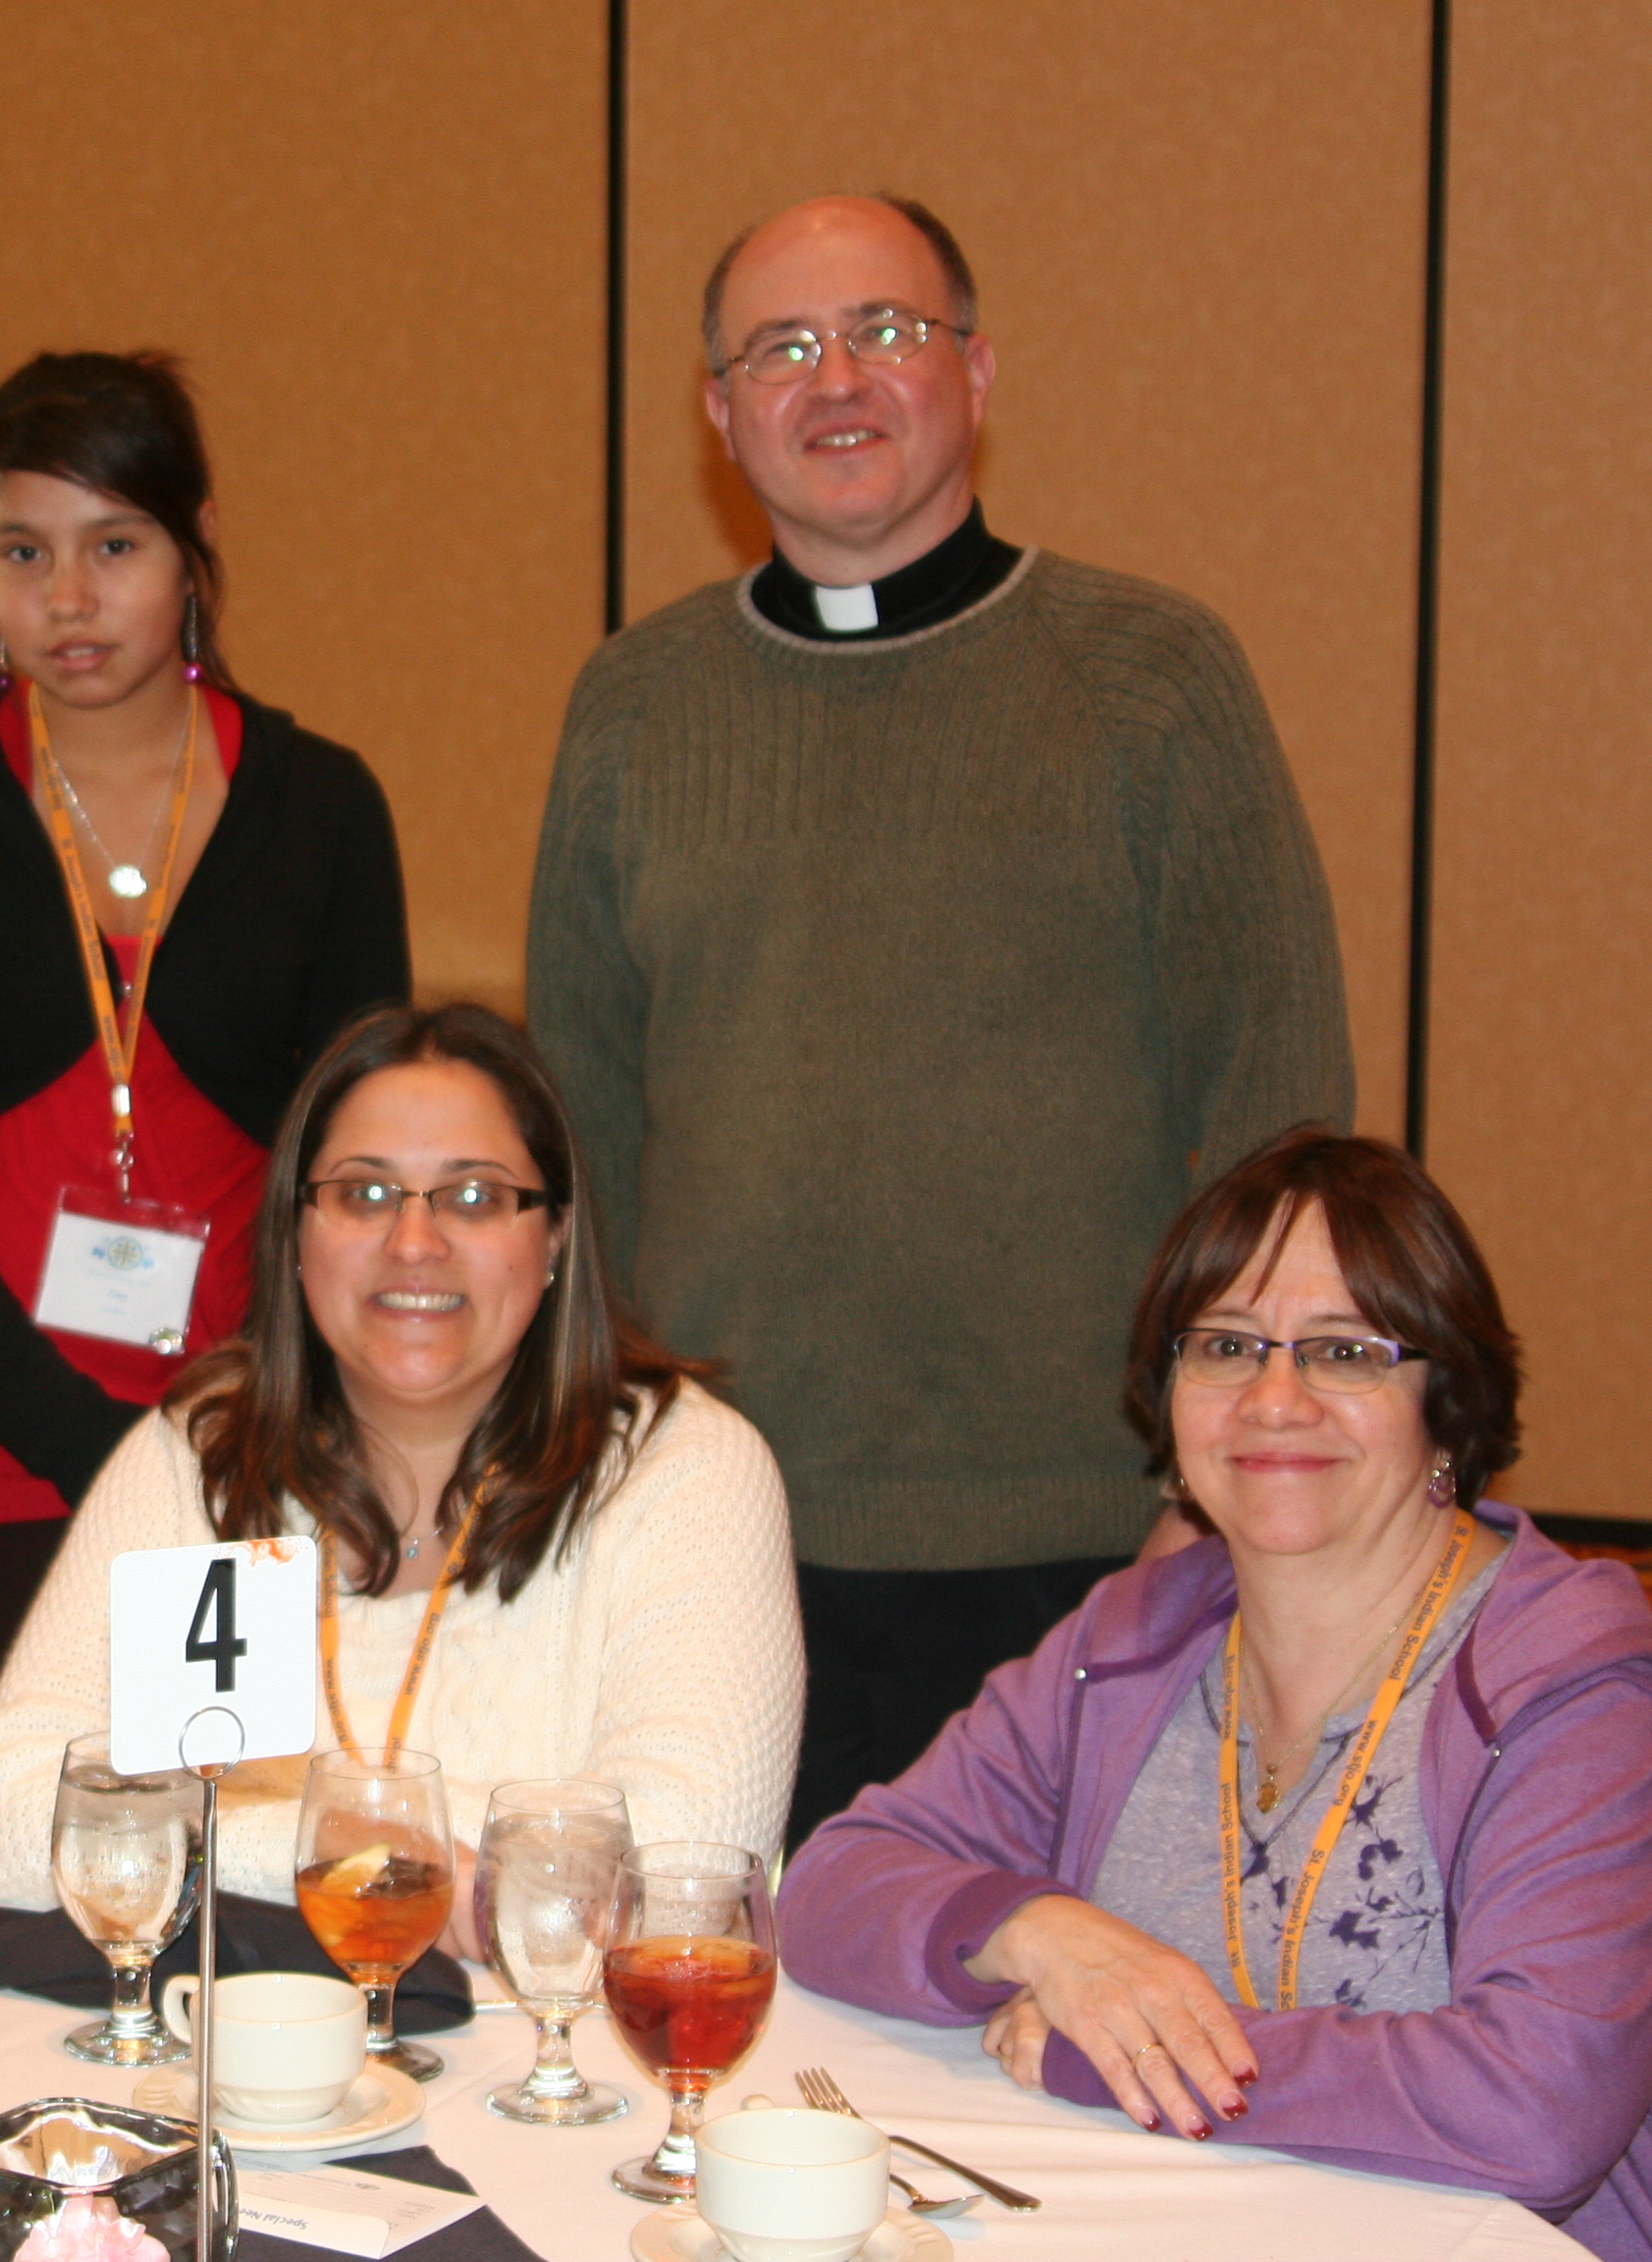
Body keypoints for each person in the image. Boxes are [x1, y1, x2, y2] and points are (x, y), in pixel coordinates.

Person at [525, 192, 1355, 1846]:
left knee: (1060, 2033)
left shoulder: (1151, 678)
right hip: (717, 1521)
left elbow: (1284, 1115)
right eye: (780, 348)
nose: (835, 379)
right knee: (730, 2002)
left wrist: (1217, 1485)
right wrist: (578, 1465)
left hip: (1090, 1525)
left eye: (884, 330)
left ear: (976, 369)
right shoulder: (635, 703)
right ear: (718, 410)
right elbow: (576, 1122)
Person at [778, 1129, 1652, 2259]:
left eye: (1344, 1353)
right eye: (1228, 1346)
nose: (1276, 1398)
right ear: (1171, 1402)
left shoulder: (1573, 1687)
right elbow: (831, 1885)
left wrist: (1104, 2049)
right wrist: (1041, 1931)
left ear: (1445, 1400)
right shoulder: (1138, 1639)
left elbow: (1538, 2108)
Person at [0, 351, 410, 1899]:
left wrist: (216, 1440)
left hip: (226, 1450)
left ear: (196, 548)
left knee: (220, 1890)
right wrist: (82, 1442)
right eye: (21, 553)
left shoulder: (324, 806)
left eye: (113, 546)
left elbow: (359, 1161)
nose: (68, 598)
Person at [0, 1003, 799, 1912]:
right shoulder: (201, 1454)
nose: (414, 1243)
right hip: (230, 2041)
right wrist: (348, 1849)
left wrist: (204, 1828)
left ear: (553, 1237)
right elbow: (5, 1832)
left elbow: (683, 1862)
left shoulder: (686, 1471)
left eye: (474, 1197)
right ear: (295, 1233)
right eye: (364, 1194)